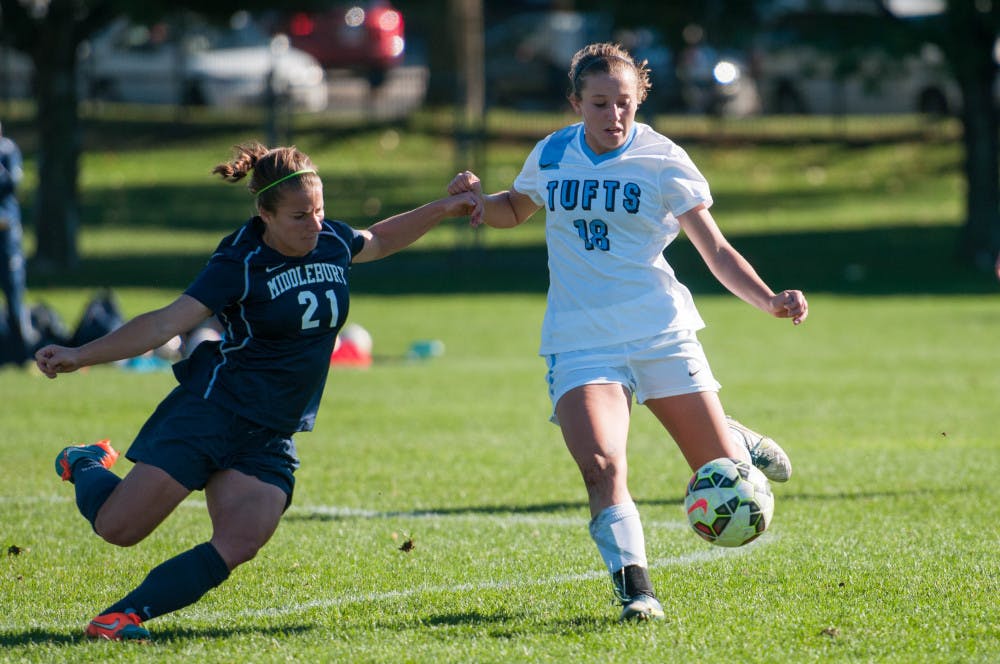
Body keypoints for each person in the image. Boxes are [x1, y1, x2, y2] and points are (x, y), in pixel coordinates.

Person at [35, 142, 479, 641]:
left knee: (241, 540)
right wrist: (81, 354)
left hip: (270, 431)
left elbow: (380, 237)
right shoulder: (240, 262)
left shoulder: (332, 240)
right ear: (265, 214)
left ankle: (120, 618)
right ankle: (84, 462)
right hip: (213, 412)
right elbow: (163, 324)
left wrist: (445, 208)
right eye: (299, 216)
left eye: (319, 210)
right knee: (119, 529)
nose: (314, 225)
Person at [447, 42, 808, 623]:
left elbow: (715, 249)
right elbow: (514, 208)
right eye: (599, 104)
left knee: (718, 474)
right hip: (580, 340)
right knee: (602, 466)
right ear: (575, 103)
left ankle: (731, 438)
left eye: (624, 103)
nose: (613, 115)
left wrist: (768, 299)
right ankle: (637, 592)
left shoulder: (663, 159)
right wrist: (476, 203)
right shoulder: (553, 151)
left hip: (659, 333)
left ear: (639, 99)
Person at [0, 120, 30, 366]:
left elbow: (13, 183)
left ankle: (22, 353)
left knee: (14, 292)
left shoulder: (7, 150)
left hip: (6, 234)